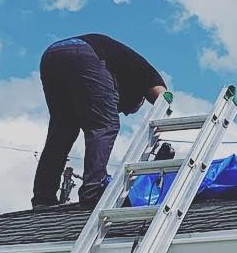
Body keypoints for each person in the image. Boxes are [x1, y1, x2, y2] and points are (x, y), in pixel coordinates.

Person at [31, 34, 167, 210]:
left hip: (52, 56)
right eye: (127, 108)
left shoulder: (122, 69)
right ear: (140, 96)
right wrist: (167, 117)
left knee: (63, 130)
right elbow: (163, 98)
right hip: (84, 54)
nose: (123, 112)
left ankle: (43, 197)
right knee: (106, 124)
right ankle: (93, 190)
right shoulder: (147, 75)